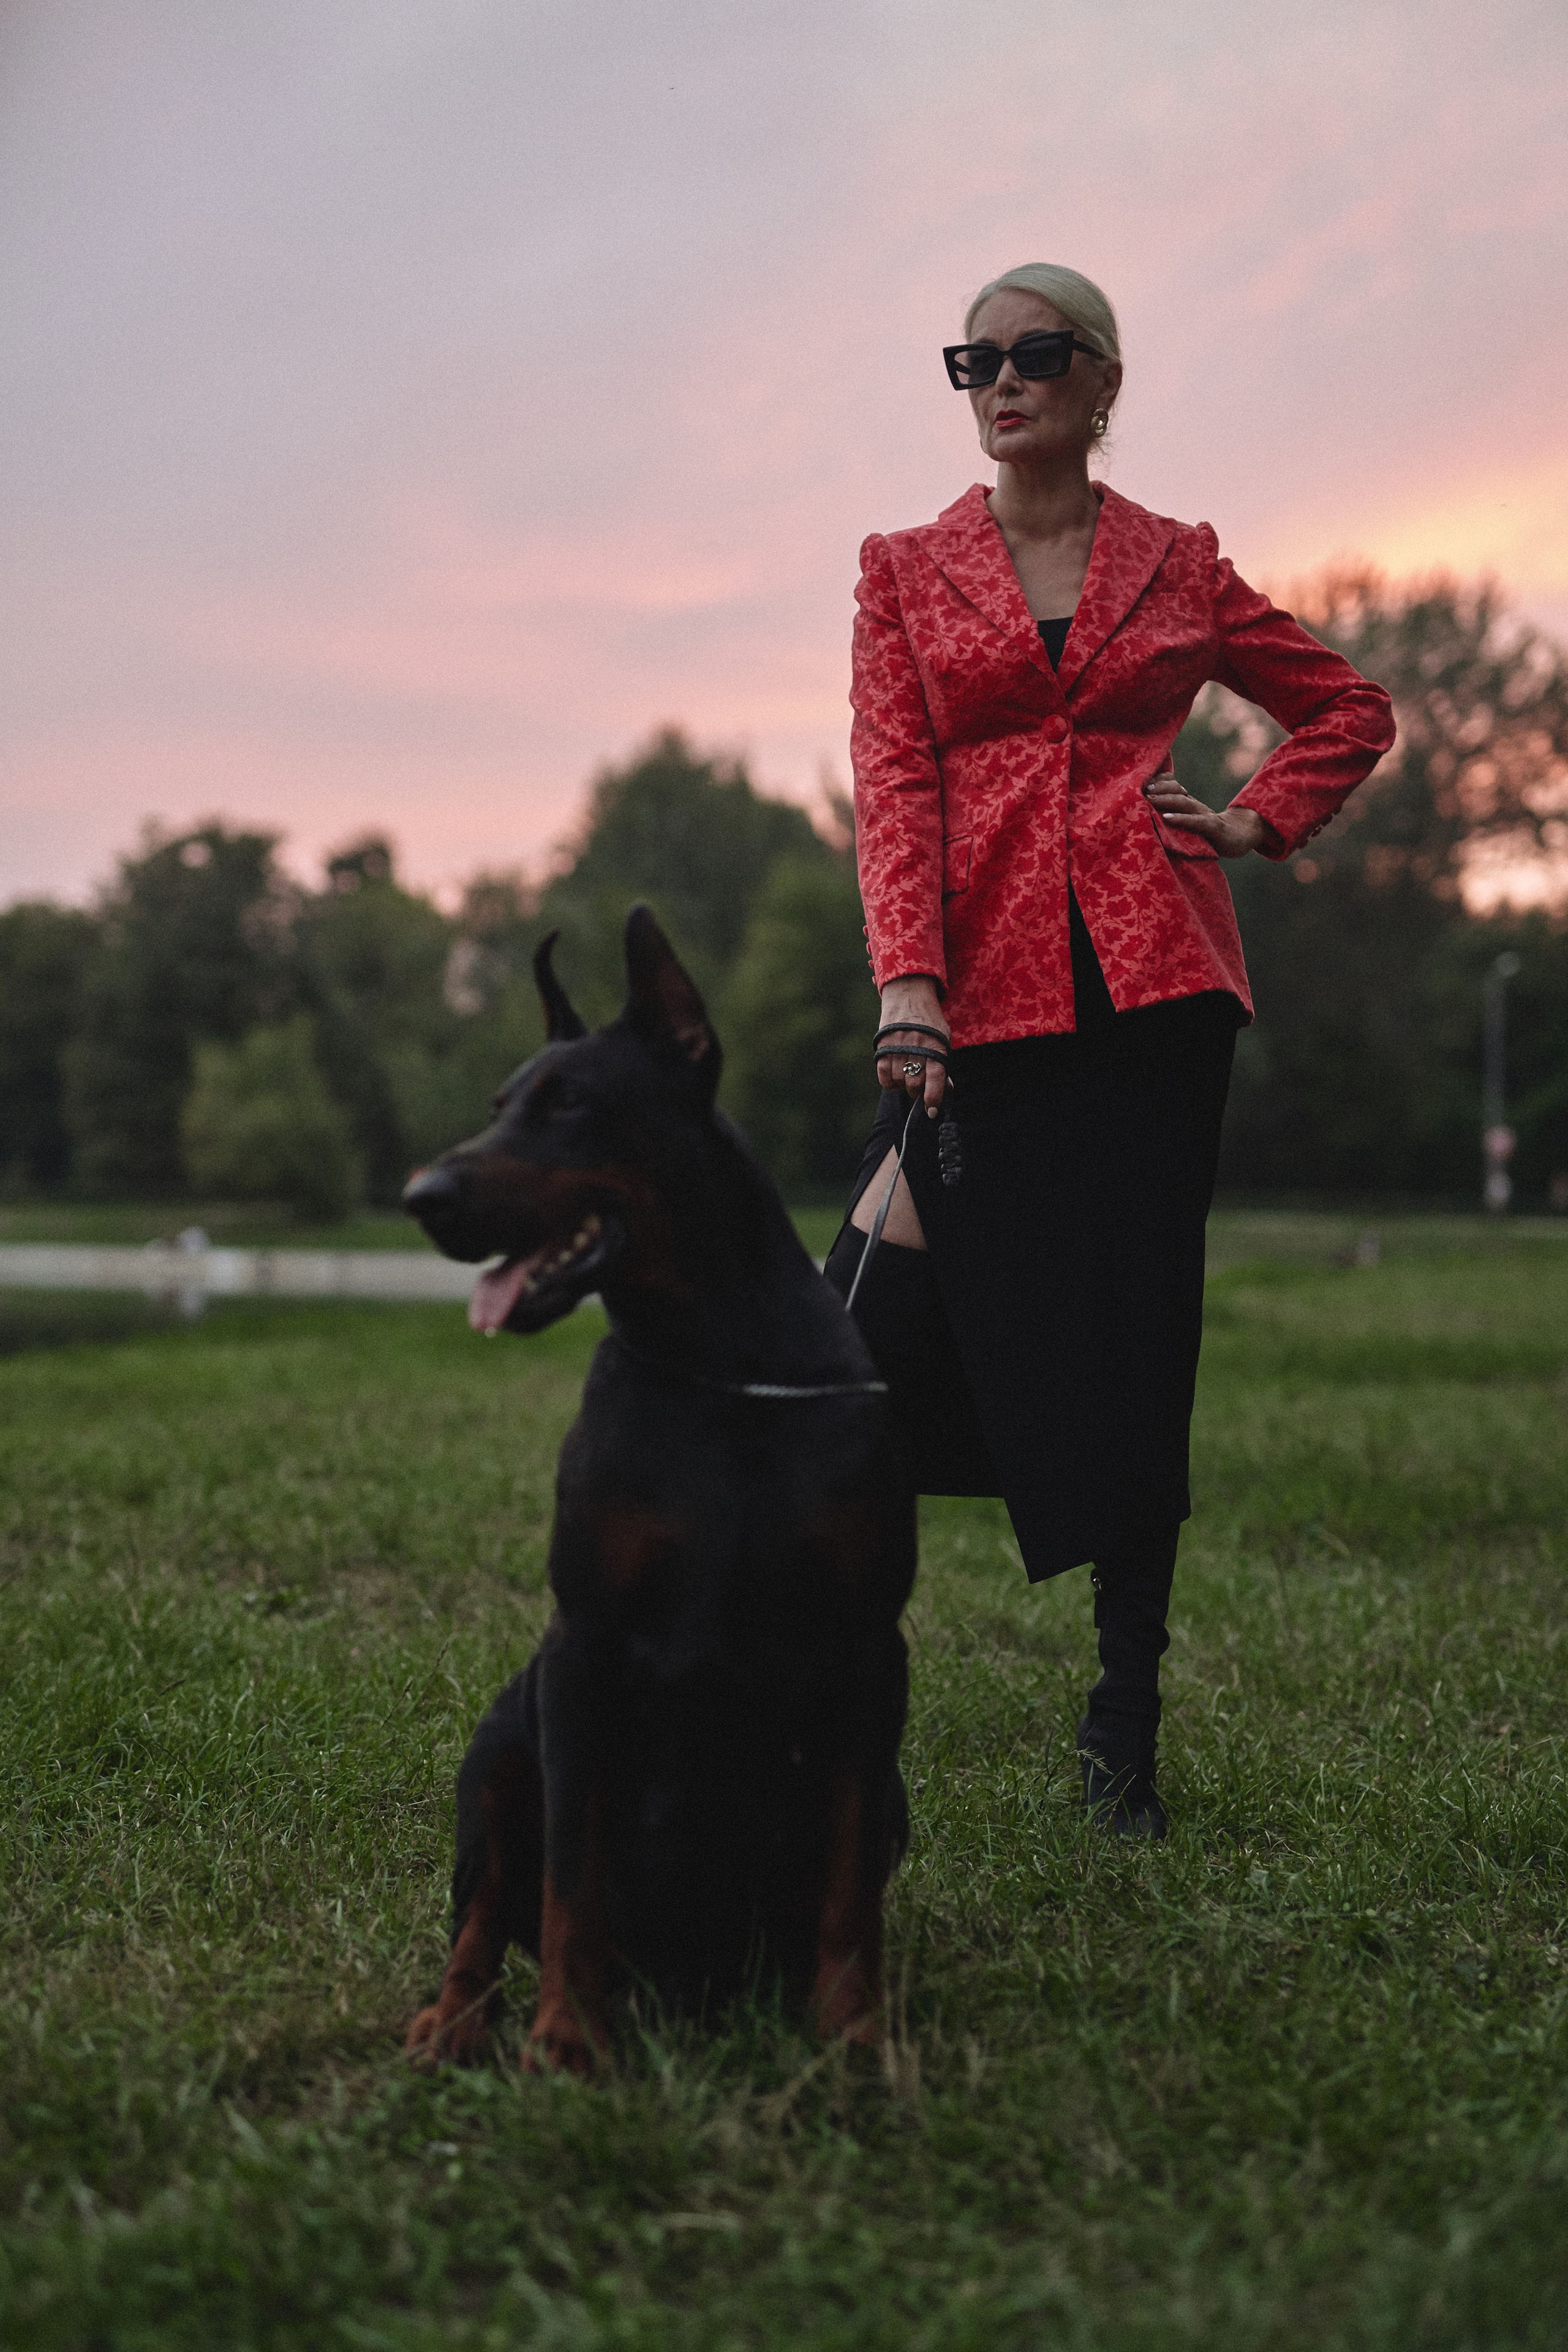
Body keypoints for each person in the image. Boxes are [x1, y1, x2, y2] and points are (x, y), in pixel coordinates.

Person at [823, 263, 1395, 1837]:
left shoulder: (1177, 562)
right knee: (859, 1322)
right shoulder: (900, 568)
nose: (1000, 381)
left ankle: (1120, 1723)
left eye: (1034, 355)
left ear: (1097, 380)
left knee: (1141, 1340)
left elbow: (1346, 706)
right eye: (974, 359)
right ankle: (814, 1673)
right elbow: (895, 787)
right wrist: (908, 984)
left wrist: (1254, 821)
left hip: (1155, 993)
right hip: (977, 996)